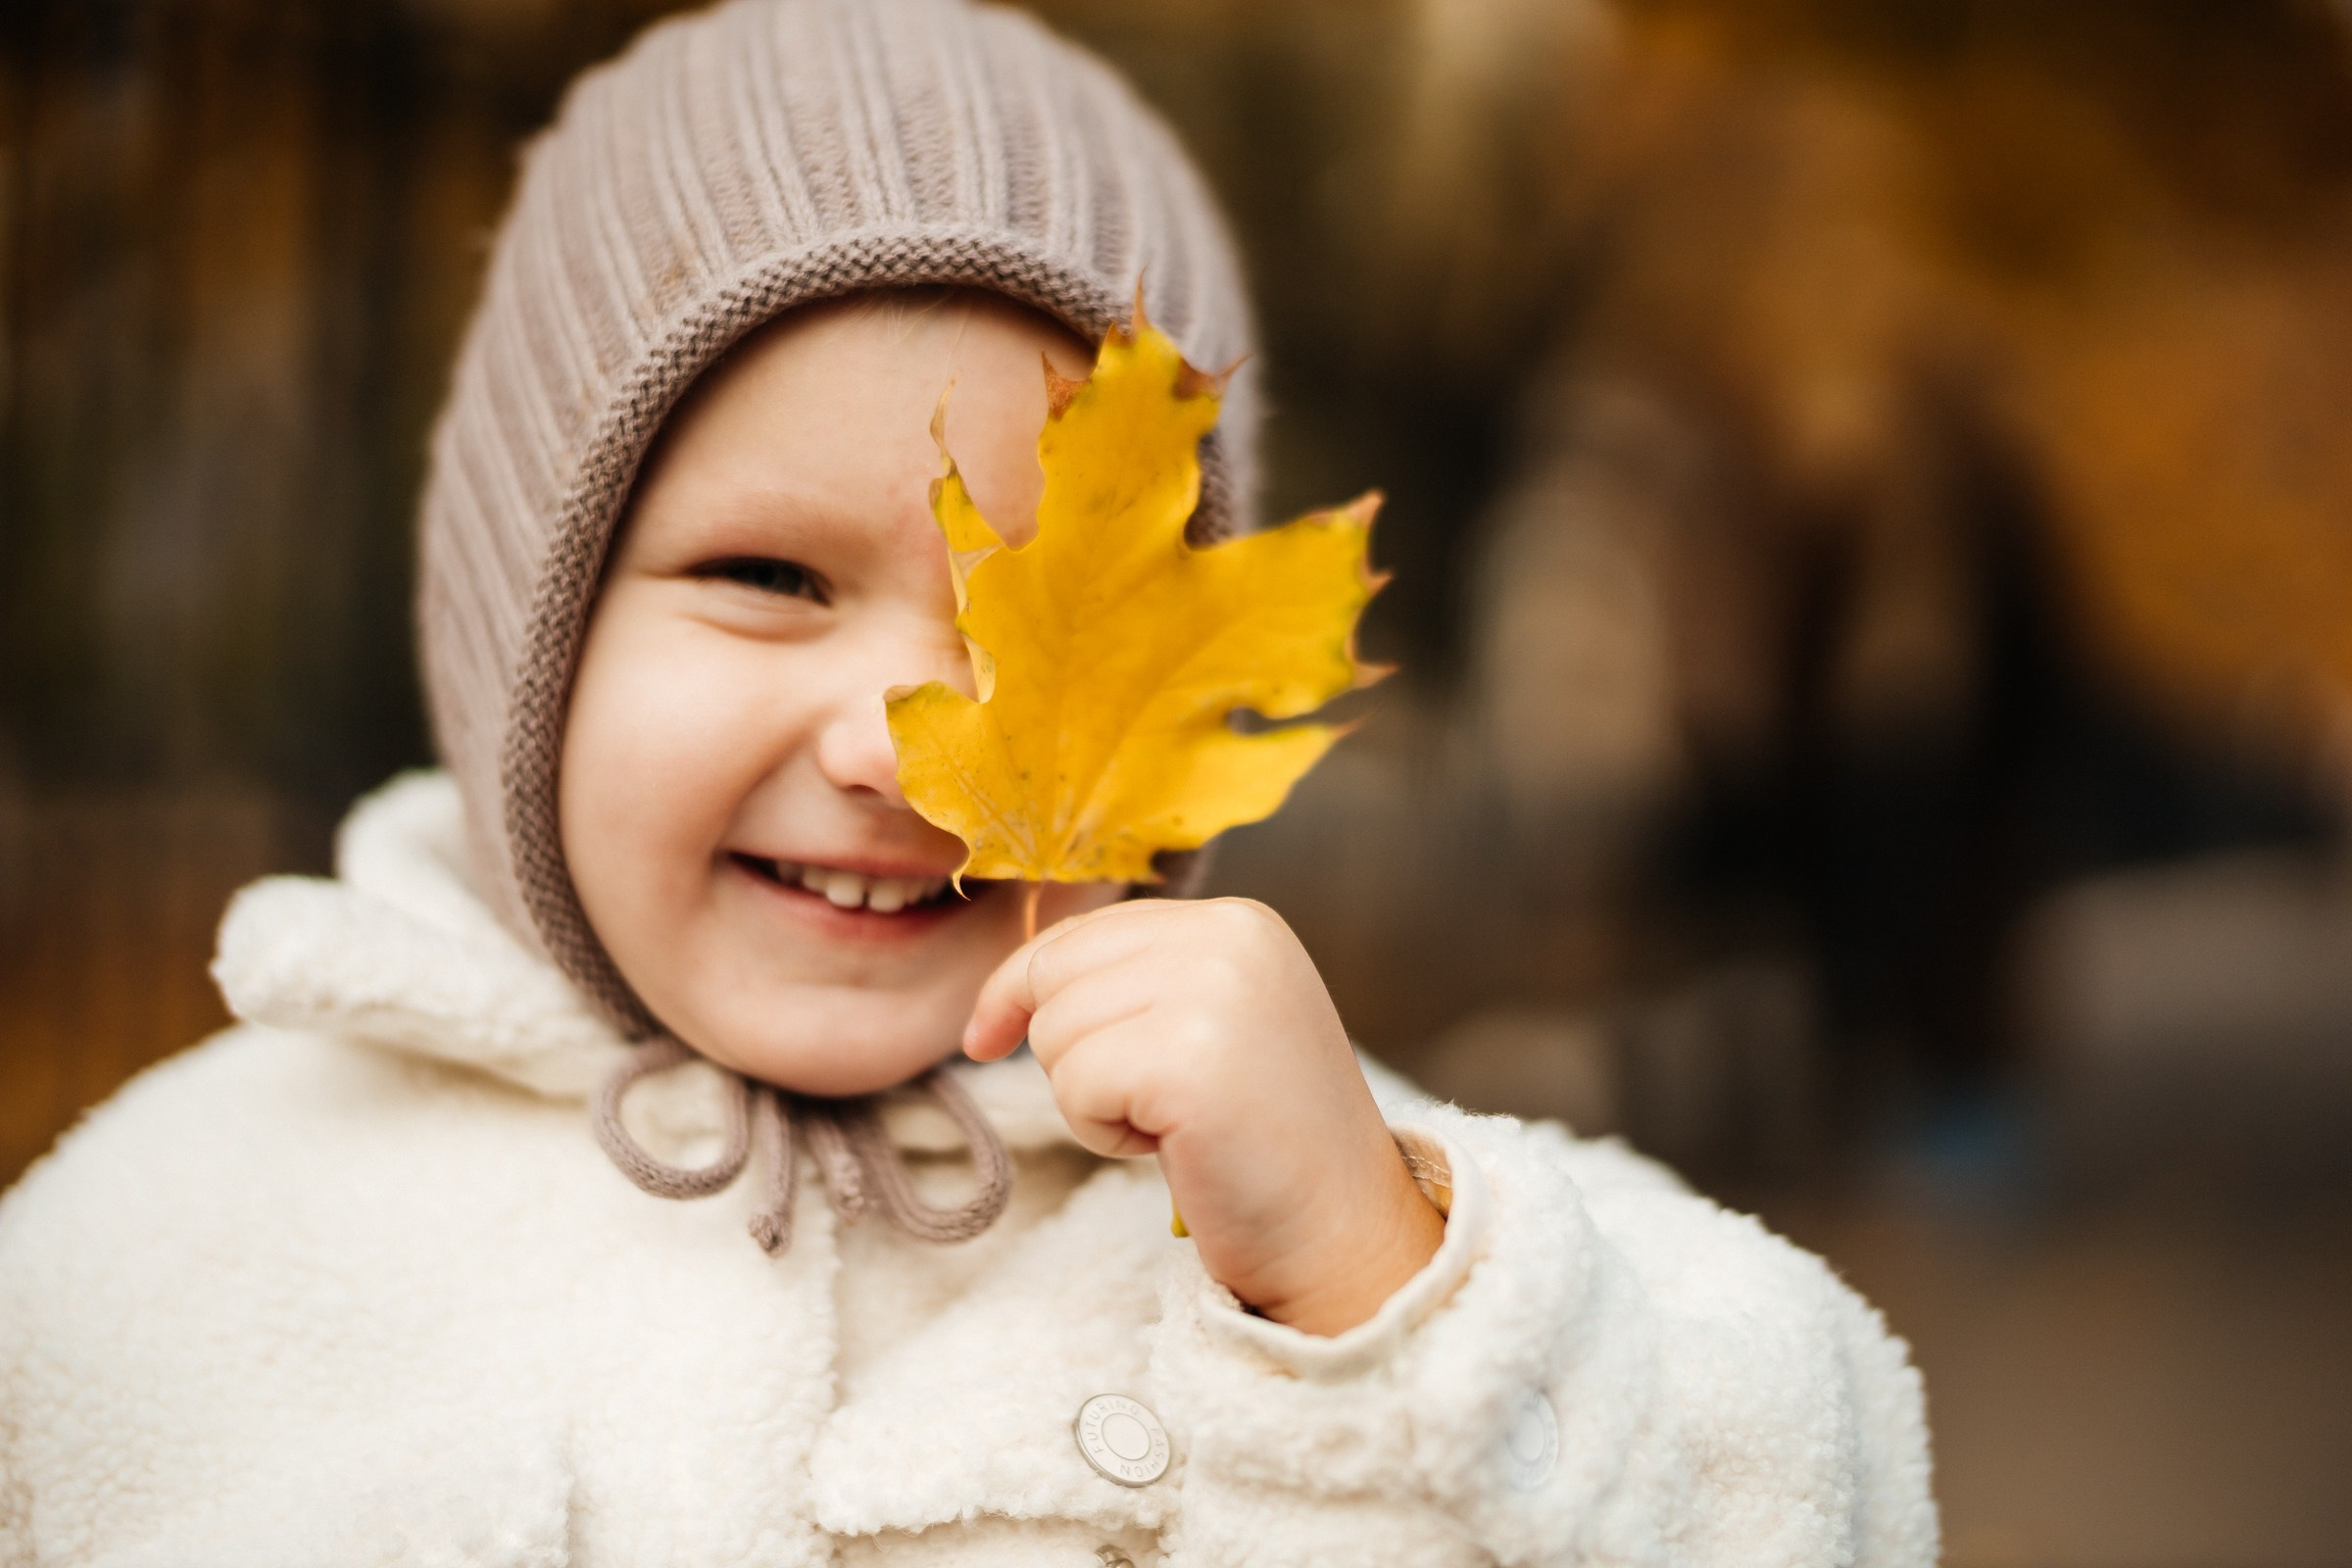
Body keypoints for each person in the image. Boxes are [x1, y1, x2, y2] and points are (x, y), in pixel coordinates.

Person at [0, 1, 1936, 1562]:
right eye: (770, 578)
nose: (896, 742)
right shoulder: (167, 1246)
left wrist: (1372, 1284)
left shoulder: (1311, 1184)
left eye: (1033, 634)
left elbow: (1809, 1475)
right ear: (529, 636)